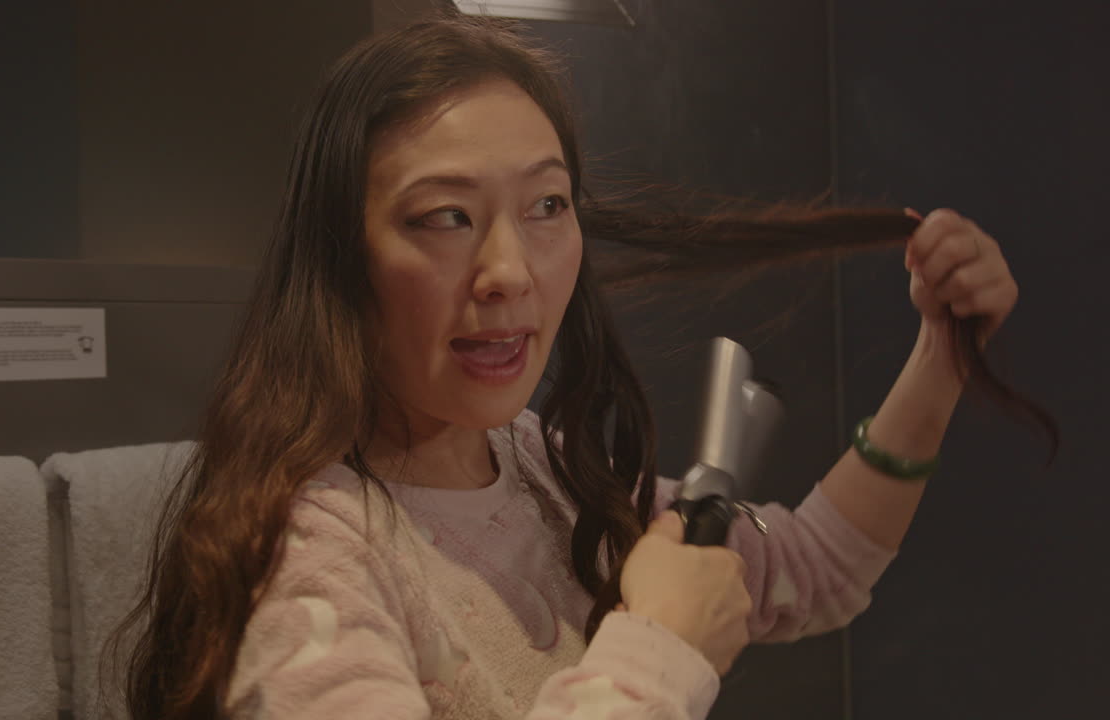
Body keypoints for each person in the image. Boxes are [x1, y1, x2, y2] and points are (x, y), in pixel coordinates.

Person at [108, 14, 1024, 720]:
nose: (510, 272)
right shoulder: (306, 558)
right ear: (339, 257)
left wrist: (941, 360)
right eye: (445, 217)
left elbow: (816, 567)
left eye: (547, 204)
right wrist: (659, 648)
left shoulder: (542, 467)